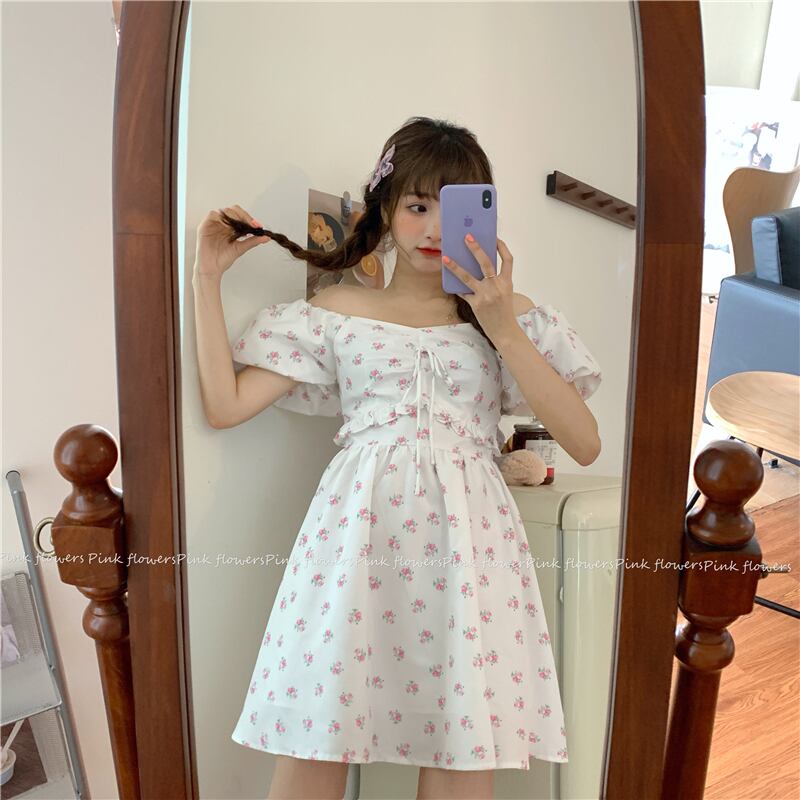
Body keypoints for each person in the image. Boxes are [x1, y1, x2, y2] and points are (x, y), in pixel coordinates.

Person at [192, 116, 602, 800]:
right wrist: (206, 277)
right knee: (316, 734)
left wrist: (501, 324)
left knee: (459, 750)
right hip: (356, 539)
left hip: (471, 548)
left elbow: (584, 442)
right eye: (416, 206)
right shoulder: (338, 310)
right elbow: (225, 405)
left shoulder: (513, 318)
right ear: (385, 208)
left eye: (453, 208)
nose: (434, 228)